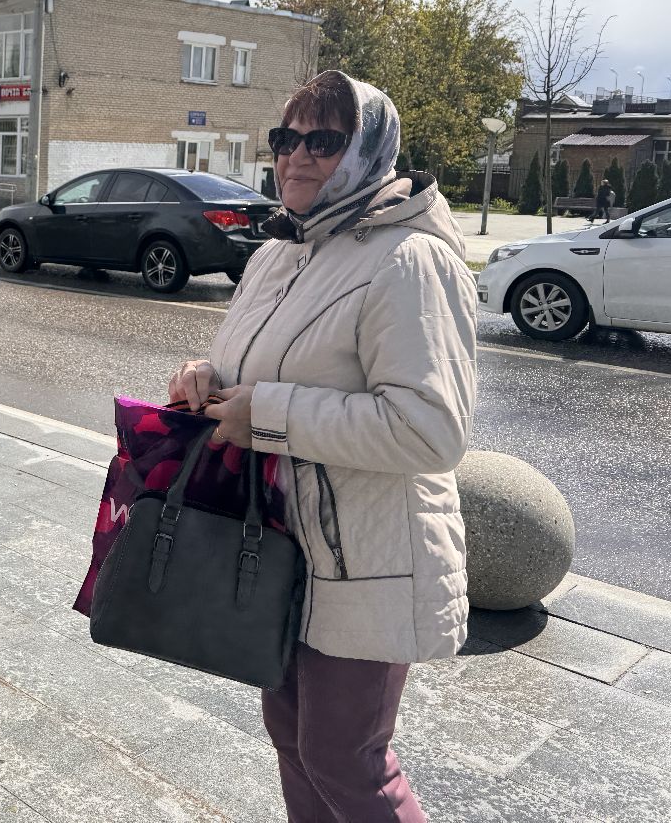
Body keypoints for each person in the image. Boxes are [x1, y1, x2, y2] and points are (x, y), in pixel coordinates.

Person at [169, 70, 476, 823]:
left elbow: (430, 430)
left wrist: (267, 413)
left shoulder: (410, 258)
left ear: (371, 149)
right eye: (286, 139)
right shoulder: (285, 246)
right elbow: (261, 365)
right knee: (291, 735)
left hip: (367, 554)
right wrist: (207, 376)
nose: (297, 158)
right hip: (280, 542)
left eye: (325, 141)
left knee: (348, 757)